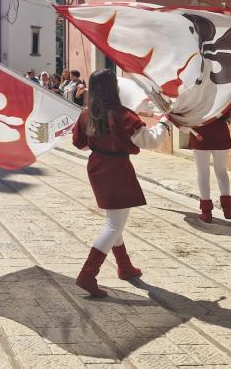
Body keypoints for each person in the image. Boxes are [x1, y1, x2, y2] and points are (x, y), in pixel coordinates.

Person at [71, 69, 171, 298]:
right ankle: (87, 274)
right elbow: (150, 141)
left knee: (114, 220)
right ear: (112, 88)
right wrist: (165, 122)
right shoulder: (122, 115)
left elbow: (80, 144)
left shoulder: (86, 114)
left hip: (97, 166)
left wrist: (102, 142)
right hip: (116, 169)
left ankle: (124, 266)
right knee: (114, 225)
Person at [190, 102, 231, 222]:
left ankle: (206, 212)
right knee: (221, 171)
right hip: (220, 132)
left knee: (203, 172)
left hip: (199, 132)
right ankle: (227, 209)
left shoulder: (193, 93)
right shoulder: (226, 91)